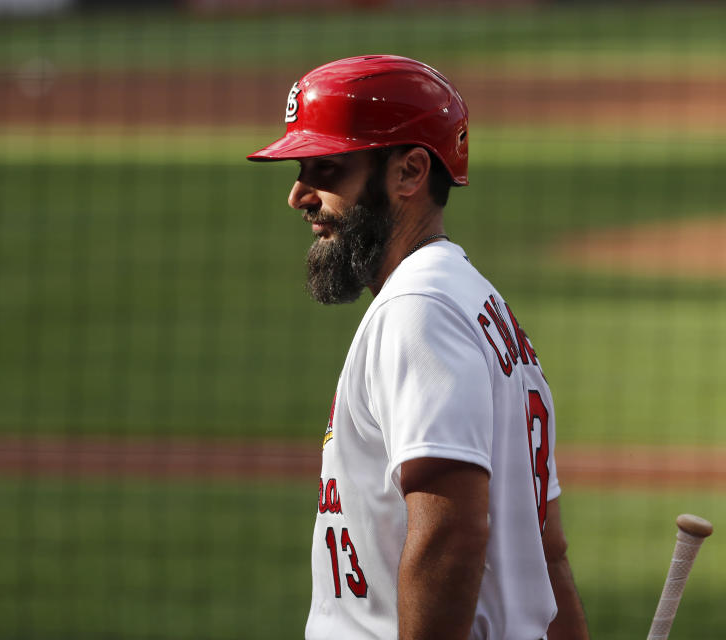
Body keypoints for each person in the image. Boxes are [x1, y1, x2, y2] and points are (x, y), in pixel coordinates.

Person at [248, 55, 589, 640]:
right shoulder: (484, 310)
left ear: (409, 172)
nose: (299, 194)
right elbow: (548, 553)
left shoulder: (420, 310)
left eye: (326, 168)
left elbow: (448, 537)